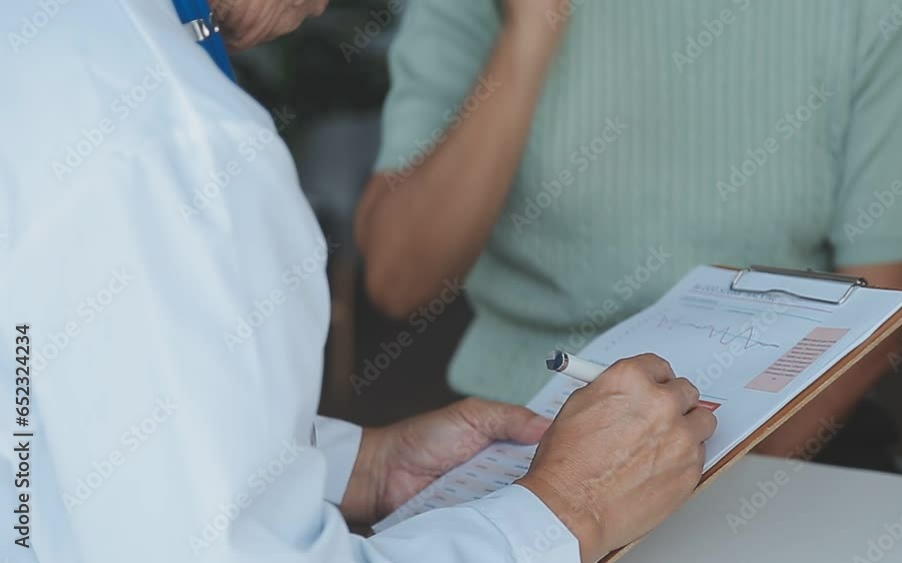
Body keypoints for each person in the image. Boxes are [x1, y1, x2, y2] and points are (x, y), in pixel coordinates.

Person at [0, 1, 716, 562]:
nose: (322, 8)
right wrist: (565, 513)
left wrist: (353, 465)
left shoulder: (50, 47)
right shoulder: (173, 142)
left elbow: (52, 410)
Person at [355, 0, 902, 456]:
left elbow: (880, 312)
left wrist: (703, 492)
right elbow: (398, 278)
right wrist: (531, 29)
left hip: (759, 445)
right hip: (520, 435)